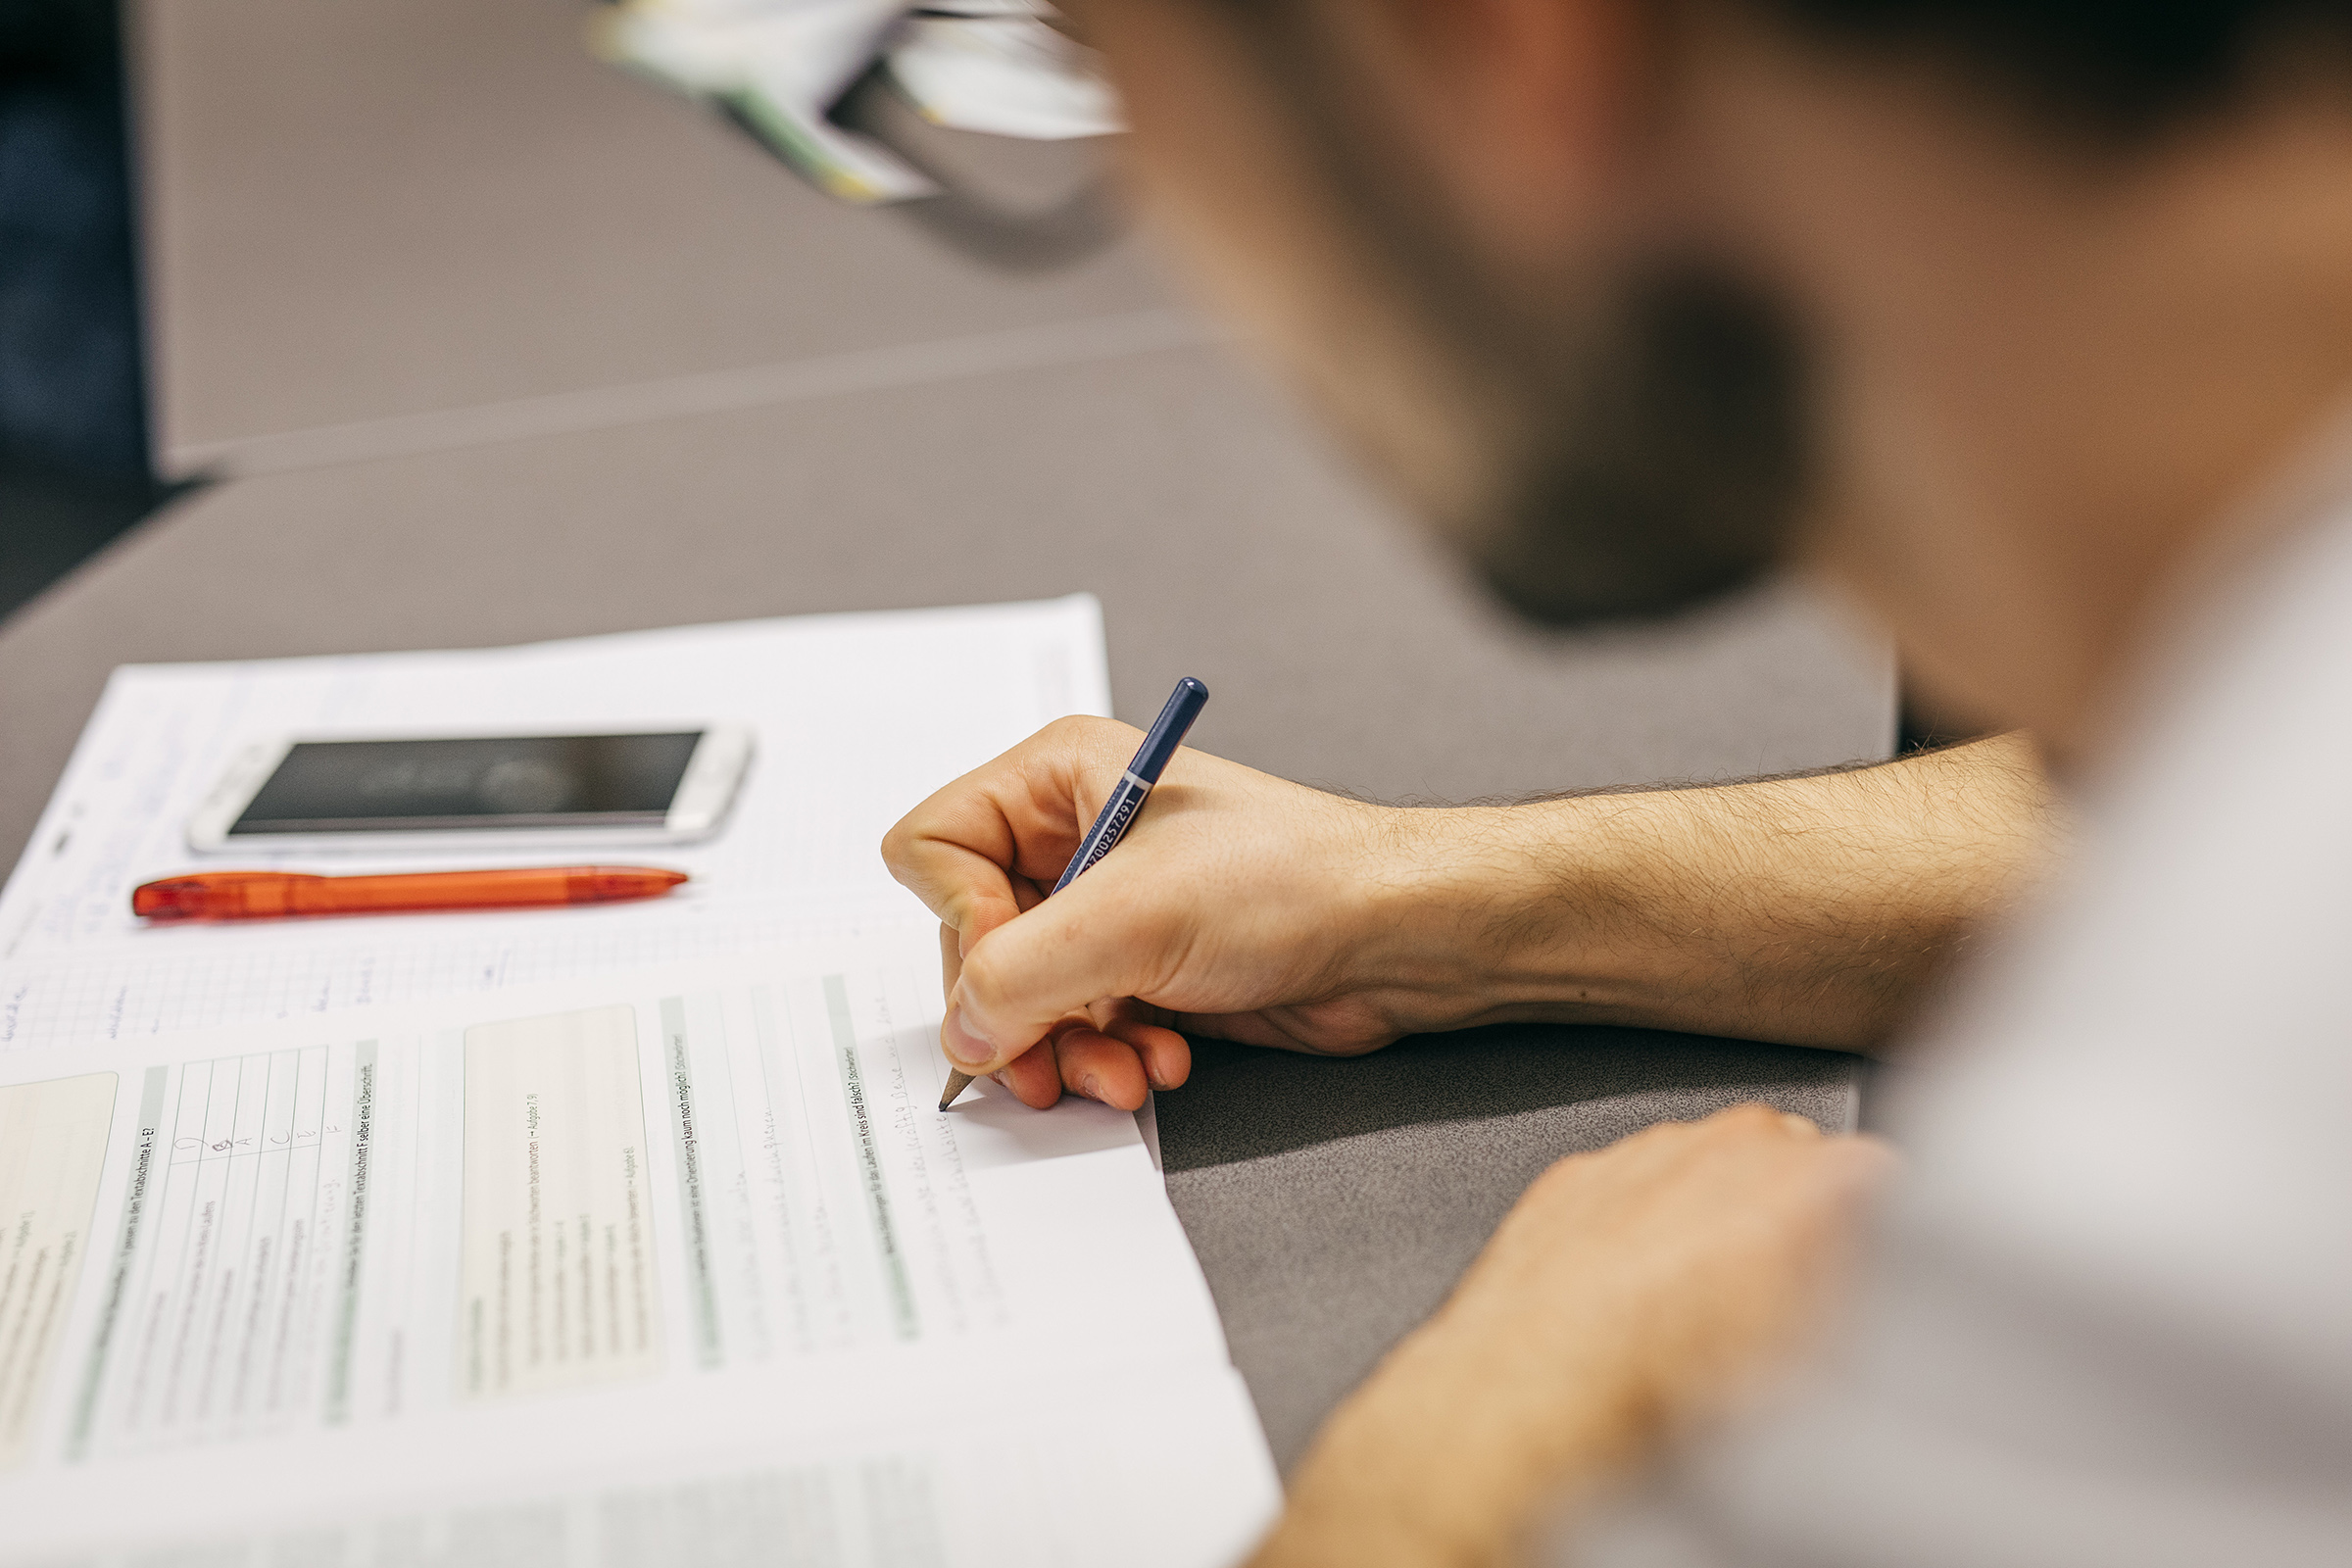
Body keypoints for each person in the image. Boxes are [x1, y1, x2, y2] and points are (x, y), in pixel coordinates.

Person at [881, 1, 2352, 1563]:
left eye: (1092, 63)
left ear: (1502, 44)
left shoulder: (2196, 1207)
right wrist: (1417, 902)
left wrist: (1484, 1430)